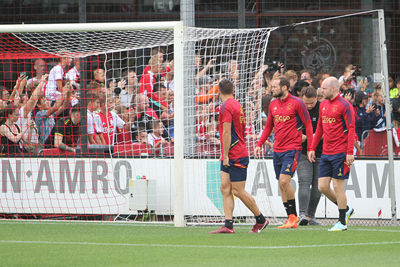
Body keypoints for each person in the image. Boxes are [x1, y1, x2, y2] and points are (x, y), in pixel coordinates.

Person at [210, 78, 268, 234]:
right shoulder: (236, 104)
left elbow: (227, 132)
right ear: (233, 89)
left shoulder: (226, 107)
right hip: (230, 152)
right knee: (225, 187)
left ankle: (261, 219)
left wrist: (226, 155)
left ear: (218, 90)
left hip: (235, 153)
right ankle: (228, 224)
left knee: (238, 190)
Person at [254, 76, 313, 229]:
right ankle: (290, 218)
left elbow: (308, 124)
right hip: (277, 149)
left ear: (285, 87)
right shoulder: (273, 104)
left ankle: (293, 217)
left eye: (275, 87)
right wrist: (260, 143)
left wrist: (311, 146)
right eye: (272, 86)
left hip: (292, 149)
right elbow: (269, 127)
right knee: (281, 185)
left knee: (284, 181)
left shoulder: (297, 103)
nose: (272, 89)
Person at [308, 76, 355, 231]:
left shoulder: (345, 105)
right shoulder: (323, 105)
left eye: (324, 88)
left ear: (334, 88)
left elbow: (351, 129)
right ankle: (346, 209)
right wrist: (312, 147)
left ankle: (342, 222)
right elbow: (320, 128)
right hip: (327, 152)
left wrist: (349, 152)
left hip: (341, 152)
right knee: (322, 187)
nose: (322, 91)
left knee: (338, 185)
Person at [297, 86, 322, 226]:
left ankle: (310, 216)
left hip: (320, 152)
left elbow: (326, 129)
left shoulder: (323, 109)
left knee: (319, 188)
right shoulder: (298, 108)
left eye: (311, 103)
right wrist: (304, 137)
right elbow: (293, 129)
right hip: (303, 152)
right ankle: (302, 215)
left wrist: (315, 137)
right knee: (304, 182)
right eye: (306, 103)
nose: (309, 106)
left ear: (317, 99)